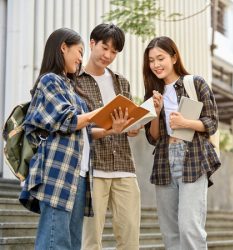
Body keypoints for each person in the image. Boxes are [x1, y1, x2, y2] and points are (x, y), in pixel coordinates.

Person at [19, 28, 129, 250]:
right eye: (78, 52)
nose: (80, 59)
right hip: (58, 171)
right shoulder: (50, 81)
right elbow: (67, 119)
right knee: (55, 240)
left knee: (71, 243)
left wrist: (112, 129)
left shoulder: (69, 86)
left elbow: (83, 131)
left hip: (79, 174)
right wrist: (102, 112)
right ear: (63, 48)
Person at [143, 36, 221, 249]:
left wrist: (185, 122)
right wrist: (156, 112)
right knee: (170, 234)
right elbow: (153, 138)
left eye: (161, 58)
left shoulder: (194, 83)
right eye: (151, 60)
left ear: (174, 57)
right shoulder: (153, 94)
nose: (156, 65)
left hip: (192, 158)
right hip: (164, 162)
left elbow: (212, 123)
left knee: (189, 228)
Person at [75, 23, 141, 250]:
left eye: (114, 52)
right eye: (105, 48)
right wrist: (109, 130)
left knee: (130, 239)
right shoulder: (74, 81)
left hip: (124, 167)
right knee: (90, 240)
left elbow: (127, 124)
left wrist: (133, 126)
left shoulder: (121, 82)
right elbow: (77, 128)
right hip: (92, 169)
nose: (108, 55)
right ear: (92, 43)